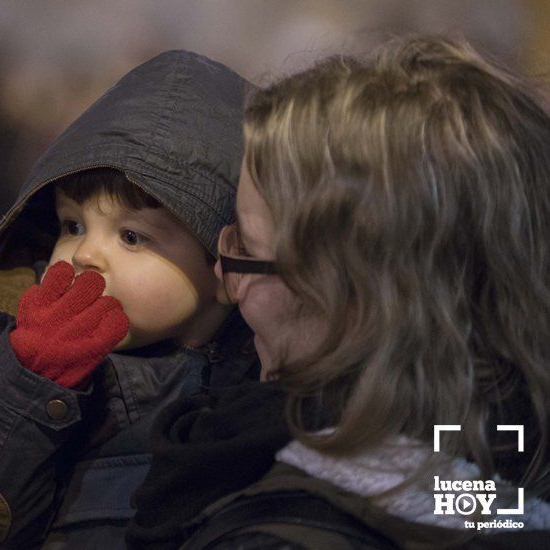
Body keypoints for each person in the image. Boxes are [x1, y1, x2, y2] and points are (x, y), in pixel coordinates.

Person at [127, 37, 550, 548]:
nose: (222, 278)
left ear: (362, 300)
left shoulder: (280, 527)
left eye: (245, 248)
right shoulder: (503, 489)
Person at [0, 50, 259, 548]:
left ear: (225, 267)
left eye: (133, 237)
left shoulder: (261, 370)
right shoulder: (8, 347)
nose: (87, 254)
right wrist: (31, 379)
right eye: (72, 226)